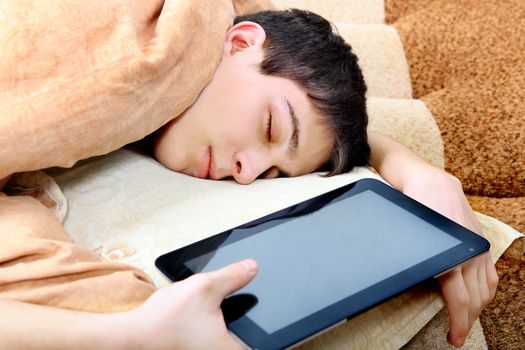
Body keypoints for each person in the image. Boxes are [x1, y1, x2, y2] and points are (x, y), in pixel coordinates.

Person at [0, 9, 496, 350]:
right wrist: (130, 336)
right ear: (240, 42)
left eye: (274, 172)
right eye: (270, 127)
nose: (247, 172)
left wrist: (422, 172)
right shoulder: (166, 45)